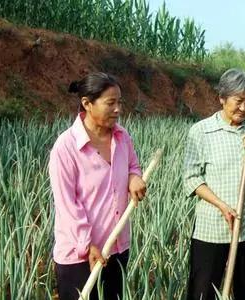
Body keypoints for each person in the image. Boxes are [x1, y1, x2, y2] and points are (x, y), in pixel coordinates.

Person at [49, 72, 146, 300]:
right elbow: (66, 204)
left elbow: (133, 165)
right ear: (87, 103)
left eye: (119, 103)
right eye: (110, 103)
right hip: (80, 255)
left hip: (116, 248)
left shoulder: (122, 137)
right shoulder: (66, 147)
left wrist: (134, 177)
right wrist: (87, 244)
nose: (118, 109)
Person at [183, 68, 245, 300]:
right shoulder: (202, 131)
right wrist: (222, 205)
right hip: (212, 226)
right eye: (238, 101)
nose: (244, 108)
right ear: (222, 98)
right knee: (203, 289)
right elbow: (192, 179)